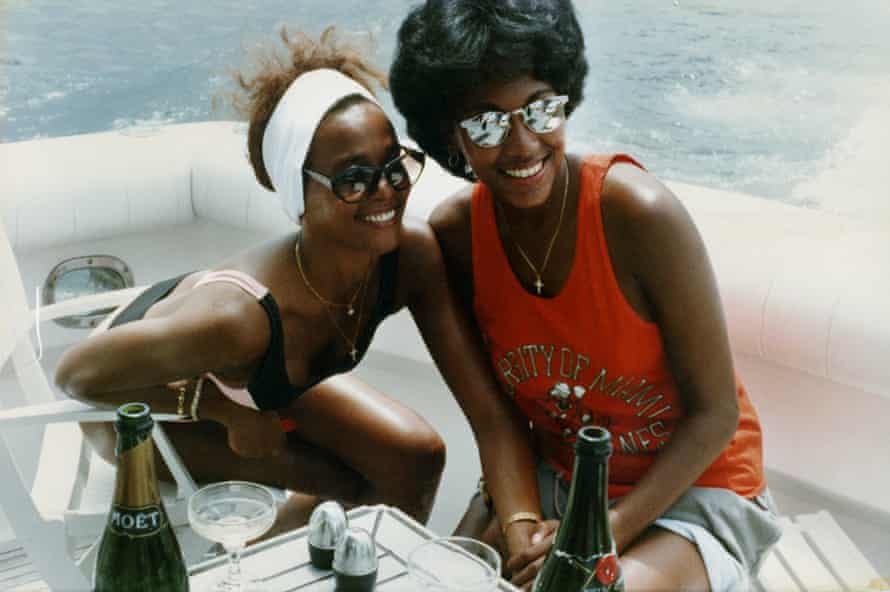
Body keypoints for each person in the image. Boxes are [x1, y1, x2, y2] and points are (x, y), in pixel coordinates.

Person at [55, 27, 518, 538]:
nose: (385, 191)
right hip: (140, 405)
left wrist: (517, 509)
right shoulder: (237, 319)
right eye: (353, 179)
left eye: (394, 164)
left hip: (243, 378)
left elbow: (486, 410)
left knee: (415, 458)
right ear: (299, 194)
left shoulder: (410, 256)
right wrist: (220, 413)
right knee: (341, 479)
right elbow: (77, 375)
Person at [390, 1, 782, 590]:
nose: (522, 144)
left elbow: (716, 415)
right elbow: (497, 422)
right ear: (451, 135)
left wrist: (607, 531)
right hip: (559, 479)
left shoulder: (637, 214)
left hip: (695, 490)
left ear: (565, 97)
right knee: (443, 579)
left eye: (540, 109)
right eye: (487, 124)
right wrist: (521, 523)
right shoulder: (456, 239)